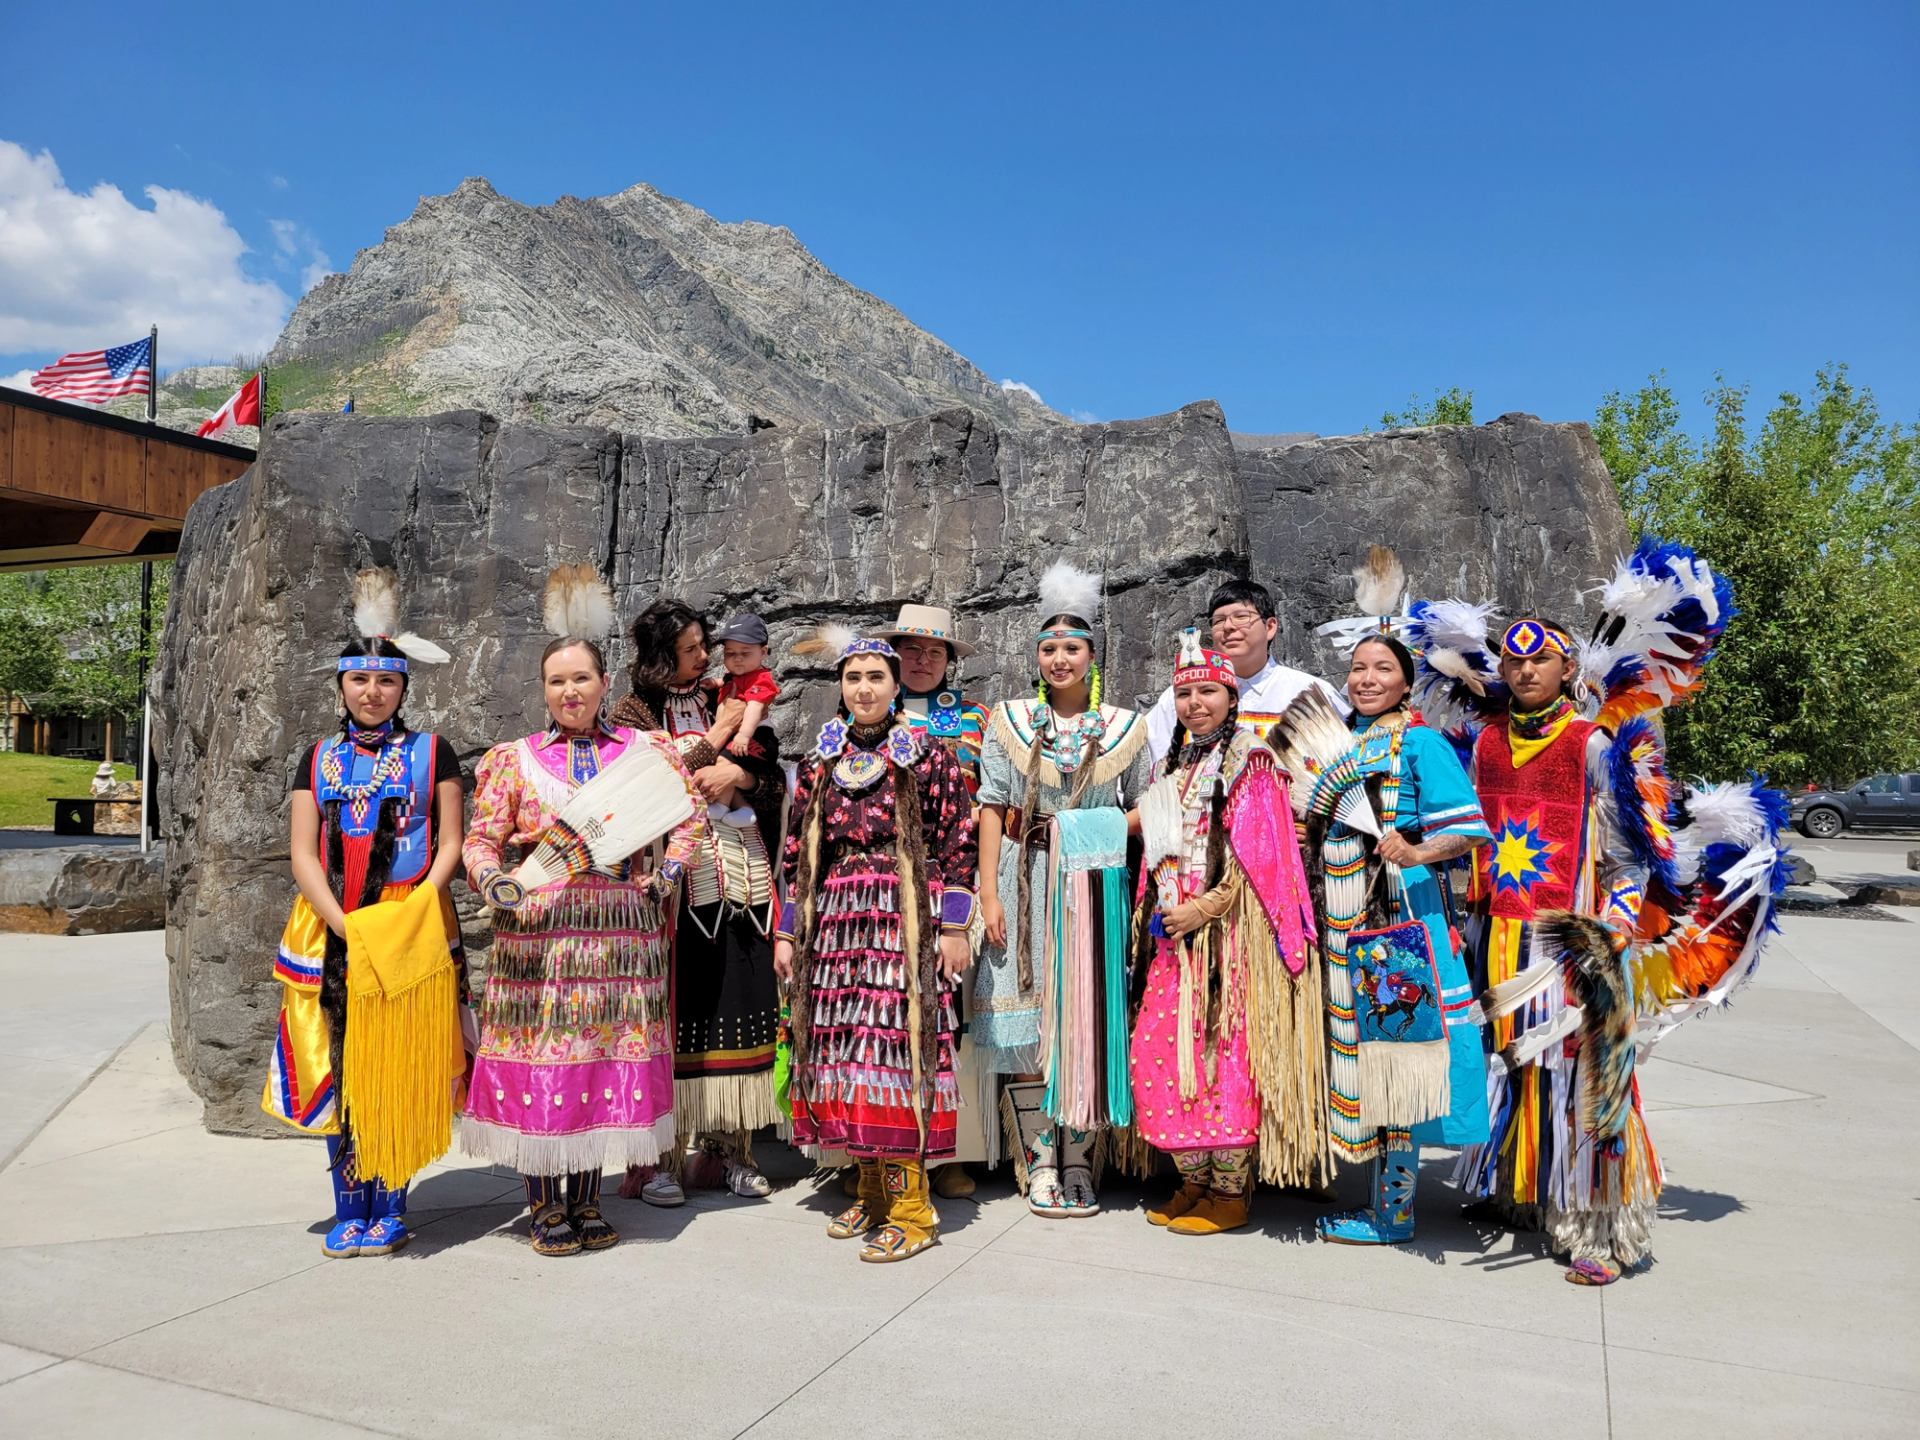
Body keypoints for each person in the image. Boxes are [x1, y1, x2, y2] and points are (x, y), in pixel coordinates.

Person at [462, 567, 706, 1257]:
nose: (571, 692)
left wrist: (666, 872)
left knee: (599, 1067)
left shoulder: (643, 751)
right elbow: (481, 839)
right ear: (544, 692)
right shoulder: (514, 761)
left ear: (604, 685)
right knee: (548, 1067)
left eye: (582, 679)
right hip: (538, 940)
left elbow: (687, 819)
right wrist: (494, 880)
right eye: (557, 682)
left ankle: (591, 1201)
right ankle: (544, 1205)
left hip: (619, 945)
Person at [264, 568, 465, 1259]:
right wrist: (343, 922)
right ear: (341, 686)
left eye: (385, 682)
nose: (372, 693)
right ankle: (348, 1204)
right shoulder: (315, 758)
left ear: (403, 687)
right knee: (343, 1065)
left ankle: (391, 1204)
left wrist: (413, 915)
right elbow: (302, 852)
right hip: (332, 929)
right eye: (359, 681)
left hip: (406, 923)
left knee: (396, 1063)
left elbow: (450, 844)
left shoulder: (430, 751)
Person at [1279, 619, 1492, 1245]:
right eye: (1358, 669)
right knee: (1354, 1053)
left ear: (1406, 684)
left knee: (1398, 1055)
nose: (1367, 679)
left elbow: (1471, 830)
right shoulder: (1338, 741)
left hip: (1397, 923)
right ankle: (1364, 1190)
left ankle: (1393, 1213)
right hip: (1334, 917)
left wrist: (1419, 849)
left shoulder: (1420, 745)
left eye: (1383, 670)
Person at [774, 626, 978, 1262]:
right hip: (836, 922)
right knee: (843, 1052)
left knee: (894, 1054)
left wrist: (950, 927)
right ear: (840, 687)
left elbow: (958, 844)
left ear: (896, 689)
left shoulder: (928, 756)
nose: (863, 688)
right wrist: (788, 933)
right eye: (853, 677)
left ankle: (913, 1209)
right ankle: (870, 1190)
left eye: (876, 677)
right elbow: (797, 852)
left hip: (902, 915)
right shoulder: (821, 763)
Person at [1129, 630, 1322, 1235]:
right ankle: (1194, 1182)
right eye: (1185, 695)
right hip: (1173, 935)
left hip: (1229, 940)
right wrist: (1161, 910)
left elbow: (1260, 857)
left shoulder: (1251, 760)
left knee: (1221, 1057)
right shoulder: (1171, 763)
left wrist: (1205, 909)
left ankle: (1231, 1192)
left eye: (1209, 691)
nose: (1195, 705)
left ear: (1231, 696)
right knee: (1159, 1051)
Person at [975, 560, 1151, 1216]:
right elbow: (992, 804)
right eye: (1047, 648)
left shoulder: (1125, 728)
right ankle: (1039, 1161)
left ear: (1091, 658)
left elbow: (1147, 807)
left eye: (1071, 648)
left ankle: (1081, 1160)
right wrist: (990, 895)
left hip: (1091, 886)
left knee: (1084, 1019)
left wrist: (1086, 826)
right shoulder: (1009, 719)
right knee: (1026, 1026)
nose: (1058, 658)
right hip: (1023, 883)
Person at [611, 600, 787, 1201]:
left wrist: (740, 779)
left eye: (703, 646)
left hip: (739, 874)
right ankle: (659, 1155)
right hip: (668, 885)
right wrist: (714, 742)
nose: (705, 657)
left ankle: (727, 1150)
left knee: (735, 994)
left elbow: (773, 775)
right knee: (671, 1009)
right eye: (691, 649)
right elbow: (650, 785)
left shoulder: (726, 691)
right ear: (662, 657)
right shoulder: (632, 713)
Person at [877, 600, 994, 1199]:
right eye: (910, 650)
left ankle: (952, 1151)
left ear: (949, 660)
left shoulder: (976, 718)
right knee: (881, 1019)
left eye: (934, 652)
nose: (921, 661)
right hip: (878, 892)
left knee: (954, 1020)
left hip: (954, 884)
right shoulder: (866, 711)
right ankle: (876, 1155)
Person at [1144, 579, 1345, 768]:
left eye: (1241, 617)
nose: (1229, 627)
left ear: (1270, 627)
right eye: (1219, 620)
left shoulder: (1309, 693)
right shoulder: (1180, 697)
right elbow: (1150, 765)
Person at [707, 612, 780, 822]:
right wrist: (715, 684)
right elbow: (728, 682)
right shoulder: (738, 677)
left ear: (763, 652)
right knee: (730, 768)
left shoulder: (761, 679)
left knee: (723, 762)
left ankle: (720, 806)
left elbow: (754, 707)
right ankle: (744, 809)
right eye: (730, 653)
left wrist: (744, 735)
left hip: (757, 737)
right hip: (745, 738)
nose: (737, 658)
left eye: (745, 653)